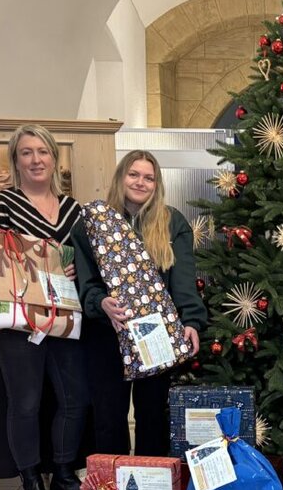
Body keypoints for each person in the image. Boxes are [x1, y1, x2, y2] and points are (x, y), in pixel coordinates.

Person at [0, 124, 88, 490]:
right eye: (26, 152)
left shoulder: (75, 210)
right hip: (17, 322)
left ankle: (62, 474)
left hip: (66, 317)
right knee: (25, 401)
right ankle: (29, 479)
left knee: (74, 399)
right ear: (16, 160)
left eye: (43, 151)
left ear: (55, 158)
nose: (36, 159)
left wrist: (78, 270)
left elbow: (88, 262)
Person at [73, 150, 206, 456]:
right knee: (108, 416)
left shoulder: (172, 222)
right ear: (121, 177)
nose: (140, 182)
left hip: (156, 336)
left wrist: (192, 321)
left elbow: (184, 280)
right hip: (107, 334)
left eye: (149, 177)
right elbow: (85, 279)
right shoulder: (93, 223)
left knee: (152, 415)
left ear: (156, 184)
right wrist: (100, 302)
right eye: (134, 174)